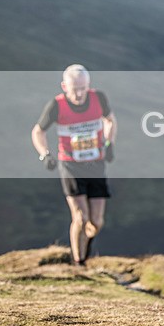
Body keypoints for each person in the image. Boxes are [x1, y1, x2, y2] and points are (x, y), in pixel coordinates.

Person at [31, 65, 117, 266]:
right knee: (80, 216)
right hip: (71, 166)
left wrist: (109, 143)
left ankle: (85, 250)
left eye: (83, 88)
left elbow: (110, 120)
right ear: (64, 86)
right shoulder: (57, 106)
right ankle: (78, 261)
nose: (79, 94)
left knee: (96, 221)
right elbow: (37, 132)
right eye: (74, 89)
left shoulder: (99, 98)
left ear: (88, 86)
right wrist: (45, 155)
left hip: (96, 164)